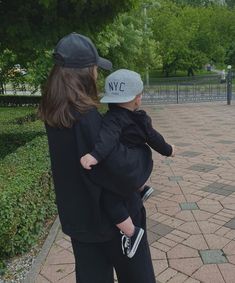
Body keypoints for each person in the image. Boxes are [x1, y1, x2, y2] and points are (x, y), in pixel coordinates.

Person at [38, 32, 156, 283]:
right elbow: (121, 171)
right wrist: (145, 154)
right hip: (112, 221)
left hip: (80, 221)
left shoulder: (53, 113)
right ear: (83, 72)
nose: (96, 74)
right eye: (94, 68)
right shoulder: (85, 116)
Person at [80, 69, 175, 258]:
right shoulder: (141, 119)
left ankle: (131, 232)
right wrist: (169, 149)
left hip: (124, 170)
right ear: (137, 99)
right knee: (126, 176)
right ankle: (142, 188)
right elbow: (154, 138)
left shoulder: (112, 119)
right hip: (140, 166)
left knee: (108, 198)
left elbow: (107, 139)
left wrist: (94, 156)